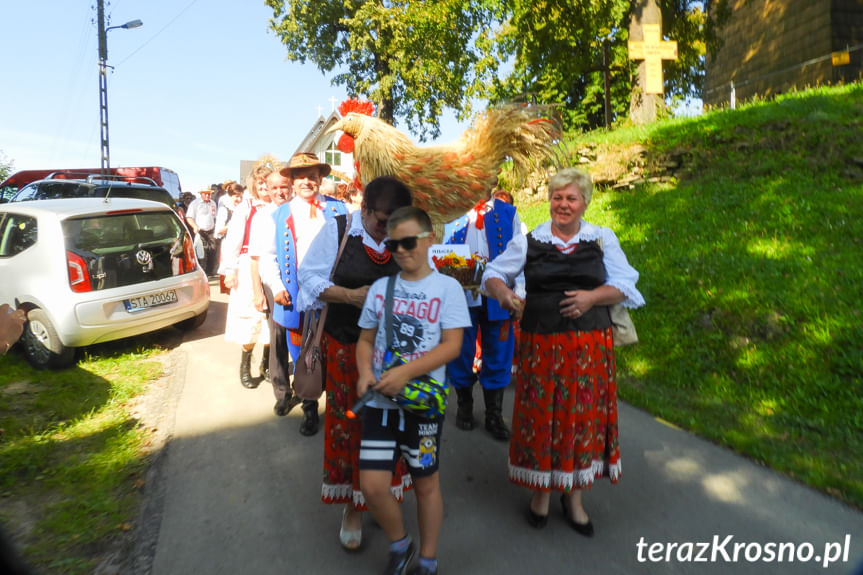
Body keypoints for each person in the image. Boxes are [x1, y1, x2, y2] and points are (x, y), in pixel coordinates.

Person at [482, 168, 644, 535]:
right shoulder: (531, 241)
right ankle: (540, 492)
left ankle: (573, 497)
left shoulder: (601, 239)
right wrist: (504, 294)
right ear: (550, 201)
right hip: (541, 346)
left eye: (571, 198)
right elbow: (493, 273)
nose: (563, 205)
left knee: (581, 420)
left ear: (585, 203)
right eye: (557, 197)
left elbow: (625, 283)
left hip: (589, 349)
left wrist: (591, 297)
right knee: (543, 419)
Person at [297, 176, 413, 551]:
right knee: (351, 429)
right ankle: (353, 506)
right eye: (382, 221)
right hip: (347, 350)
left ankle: (382, 494)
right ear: (364, 210)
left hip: (394, 353)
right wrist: (349, 295)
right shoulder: (340, 229)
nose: (388, 229)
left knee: (390, 427)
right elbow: (308, 277)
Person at [356, 207, 471, 575]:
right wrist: (363, 372)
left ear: (429, 239)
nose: (402, 251)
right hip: (380, 402)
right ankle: (400, 543)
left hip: (423, 407)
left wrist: (405, 372)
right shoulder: (380, 288)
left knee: (425, 484)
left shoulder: (447, 288)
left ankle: (428, 558)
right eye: (394, 245)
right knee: (373, 486)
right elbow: (365, 339)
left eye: (409, 242)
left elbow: (452, 346)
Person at [256, 152, 347, 435]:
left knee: (335, 352)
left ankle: (337, 408)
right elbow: (267, 258)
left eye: (312, 176)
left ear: (320, 178)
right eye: (301, 177)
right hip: (296, 296)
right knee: (303, 356)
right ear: (292, 181)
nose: (307, 182)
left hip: (334, 295)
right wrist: (277, 287)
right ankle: (310, 409)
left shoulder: (341, 210)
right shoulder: (278, 214)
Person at [443, 190, 526, 441]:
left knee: (499, 353)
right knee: (460, 351)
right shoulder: (451, 209)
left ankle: (494, 414)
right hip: (461, 296)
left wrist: (519, 291)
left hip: (497, 295)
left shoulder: (508, 213)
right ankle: (465, 404)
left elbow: (520, 255)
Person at [219, 165, 274, 389]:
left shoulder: (279, 206)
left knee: (271, 320)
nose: (263, 187)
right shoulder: (246, 207)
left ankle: (267, 364)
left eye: (266, 182)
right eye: (259, 183)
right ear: (254, 185)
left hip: (271, 268)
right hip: (246, 266)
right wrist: (230, 270)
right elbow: (233, 240)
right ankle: (245, 365)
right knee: (250, 318)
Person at [186, 188, 219, 276]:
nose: (208, 196)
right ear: (201, 194)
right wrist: (194, 226)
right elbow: (189, 217)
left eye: (209, 194)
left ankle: (210, 272)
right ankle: (202, 272)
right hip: (200, 231)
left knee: (212, 250)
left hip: (211, 230)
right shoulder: (195, 204)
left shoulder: (213, 203)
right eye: (206, 194)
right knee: (201, 253)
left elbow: (214, 216)